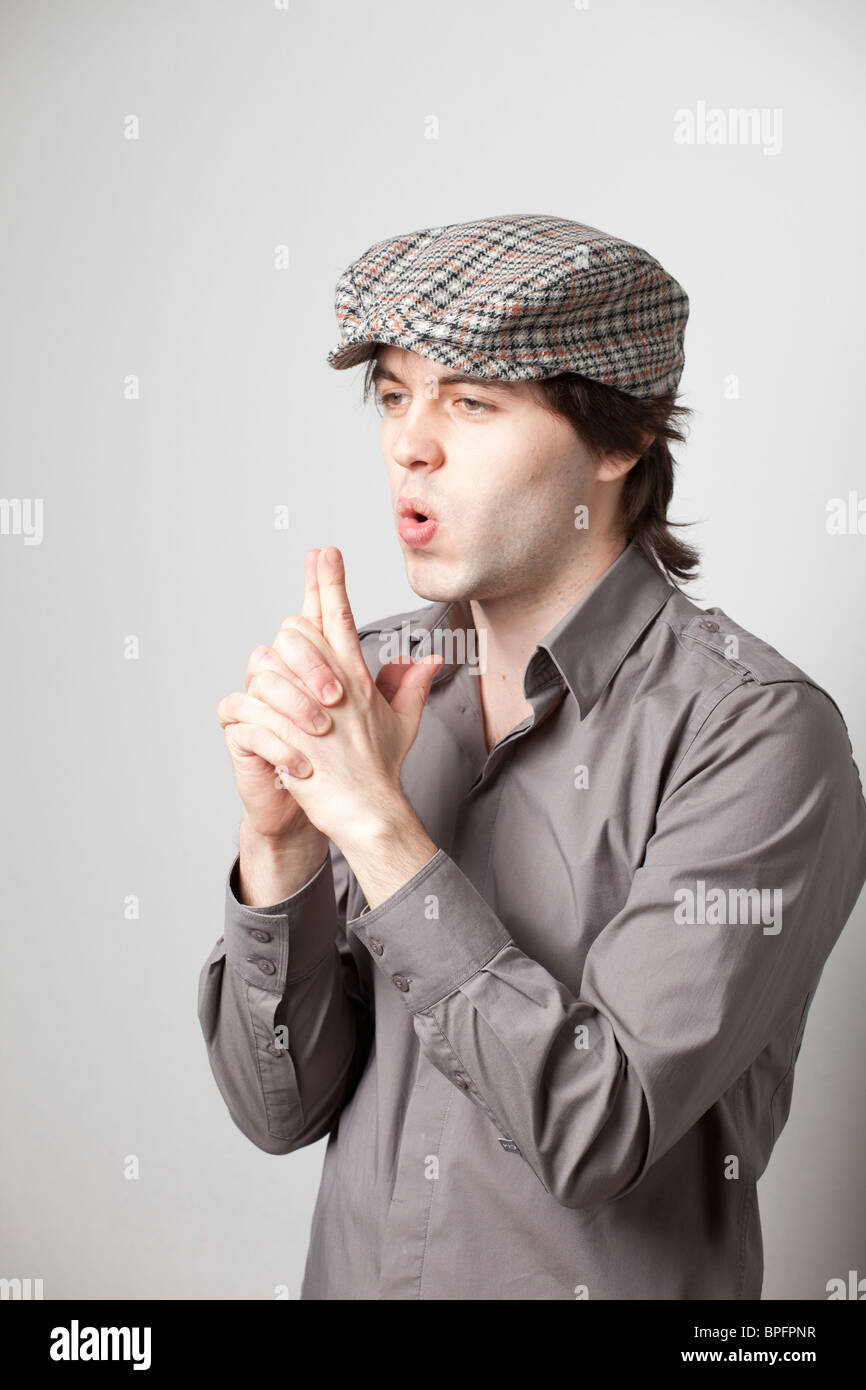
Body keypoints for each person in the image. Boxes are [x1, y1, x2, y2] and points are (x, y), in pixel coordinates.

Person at [198, 214, 866, 1300]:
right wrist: (275, 854)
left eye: (469, 401)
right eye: (394, 394)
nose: (409, 442)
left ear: (614, 443)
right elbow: (279, 1111)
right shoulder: (370, 693)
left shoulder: (757, 734)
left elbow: (593, 1129)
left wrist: (375, 827)